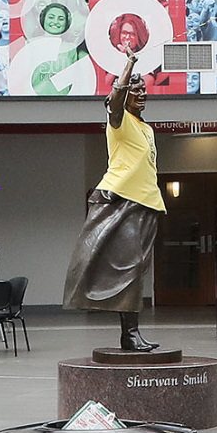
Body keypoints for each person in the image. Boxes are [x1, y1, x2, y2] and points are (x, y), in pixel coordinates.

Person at [61, 49, 166, 353]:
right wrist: (130, 63)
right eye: (136, 90)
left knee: (137, 269)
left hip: (145, 202)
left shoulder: (146, 128)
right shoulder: (118, 120)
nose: (141, 94)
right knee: (128, 266)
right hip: (120, 199)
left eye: (144, 89)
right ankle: (130, 334)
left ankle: (130, 333)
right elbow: (115, 100)